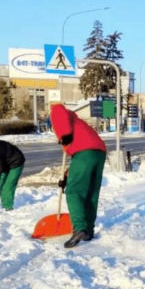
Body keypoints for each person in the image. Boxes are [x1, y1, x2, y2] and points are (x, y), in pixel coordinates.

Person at [49, 103, 107, 248]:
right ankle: (88, 231)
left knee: (74, 192)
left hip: (85, 151)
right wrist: (67, 176)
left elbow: (57, 109)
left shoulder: (63, 120)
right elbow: (79, 161)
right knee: (91, 193)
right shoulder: (77, 124)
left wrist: (65, 136)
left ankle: (79, 228)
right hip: (98, 152)